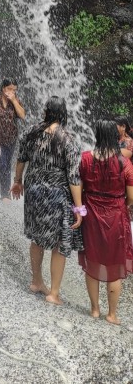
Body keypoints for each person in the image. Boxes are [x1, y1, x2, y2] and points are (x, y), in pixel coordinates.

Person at [11, 96, 84, 306]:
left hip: (33, 190)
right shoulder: (67, 139)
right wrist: (79, 208)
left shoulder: (32, 132)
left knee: (37, 237)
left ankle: (36, 281)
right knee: (60, 241)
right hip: (56, 194)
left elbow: (21, 158)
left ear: (46, 112)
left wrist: (17, 181)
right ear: (63, 114)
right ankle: (53, 293)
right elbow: (73, 176)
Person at [78, 119, 133, 325]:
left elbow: (78, 186)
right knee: (115, 264)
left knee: (92, 261)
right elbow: (132, 196)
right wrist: (121, 204)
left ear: (97, 135)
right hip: (116, 216)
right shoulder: (124, 163)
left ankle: (94, 309)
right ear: (114, 136)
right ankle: (111, 314)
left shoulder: (85, 159)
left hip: (91, 214)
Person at [0, 78, 26, 200]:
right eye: (10, 89)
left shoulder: (15, 101)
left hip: (11, 139)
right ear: (3, 88)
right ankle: (5, 194)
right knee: (3, 164)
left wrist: (14, 101)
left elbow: (22, 115)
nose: (12, 92)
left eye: (14, 90)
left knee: (3, 165)